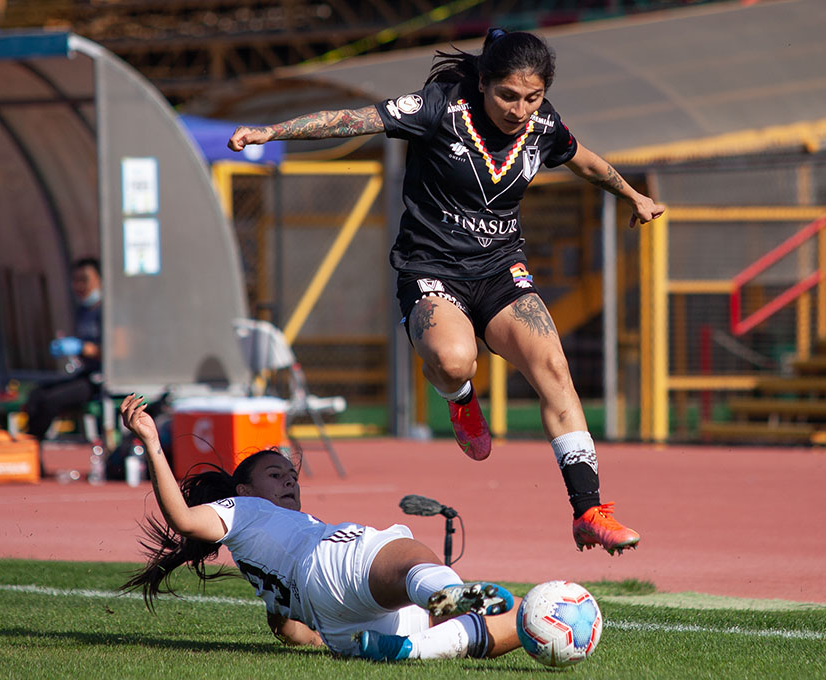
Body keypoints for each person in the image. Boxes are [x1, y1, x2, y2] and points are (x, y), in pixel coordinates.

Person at [228, 29, 664, 555]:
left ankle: (588, 511)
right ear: (482, 82)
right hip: (430, 268)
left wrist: (633, 194)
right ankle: (460, 400)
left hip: (501, 268)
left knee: (554, 369)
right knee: (456, 361)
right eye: (507, 95)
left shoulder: (543, 125)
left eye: (532, 97)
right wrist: (269, 131)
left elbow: (583, 159)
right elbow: (352, 119)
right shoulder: (438, 108)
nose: (519, 109)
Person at [118, 394, 520, 661]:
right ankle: (445, 592)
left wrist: (317, 634)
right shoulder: (242, 509)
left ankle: (413, 647)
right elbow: (185, 519)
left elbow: (291, 632)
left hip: (343, 628)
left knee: (515, 619)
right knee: (407, 554)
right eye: (275, 474)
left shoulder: (263, 547)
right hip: (336, 567)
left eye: (292, 475)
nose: (290, 480)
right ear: (243, 490)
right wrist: (153, 444)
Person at [24, 257, 103, 466]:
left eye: (84, 280)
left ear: (100, 281)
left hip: (101, 379)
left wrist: (82, 347)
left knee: (52, 400)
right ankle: (30, 449)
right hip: (84, 373)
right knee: (36, 394)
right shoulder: (82, 311)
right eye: (75, 280)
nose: (79, 286)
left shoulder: (107, 311)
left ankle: (32, 448)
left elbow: (117, 351)